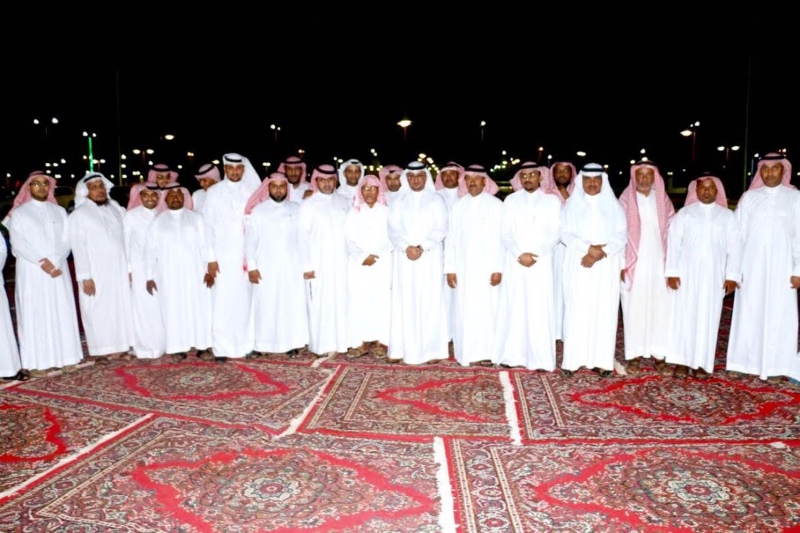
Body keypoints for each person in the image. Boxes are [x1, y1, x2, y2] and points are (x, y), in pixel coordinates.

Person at [727, 152, 800, 381]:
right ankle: (742, 362)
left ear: (783, 170)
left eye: (775, 168)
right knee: (748, 312)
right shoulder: (749, 197)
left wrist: (798, 270)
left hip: (783, 267)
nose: (769, 173)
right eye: (765, 168)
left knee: (781, 315)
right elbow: (737, 237)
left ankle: (778, 366)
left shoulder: (795, 197)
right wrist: (734, 271)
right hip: (751, 266)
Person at [665, 175, 741, 379]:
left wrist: (732, 276)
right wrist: (672, 272)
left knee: (709, 318)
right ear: (695, 191)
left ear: (717, 191)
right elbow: (674, 244)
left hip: (714, 276)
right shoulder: (684, 214)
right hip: (686, 275)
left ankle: (701, 362)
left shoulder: (727, 217)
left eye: (710, 188)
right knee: (683, 317)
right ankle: (681, 361)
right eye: (702, 188)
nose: (706, 192)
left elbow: (735, 248)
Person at [560, 163, 627, 377]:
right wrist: (588, 249)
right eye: (587, 179)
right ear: (581, 181)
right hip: (579, 263)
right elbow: (564, 233)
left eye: (596, 179)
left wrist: (599, 252)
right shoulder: (571, 206)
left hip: (606, 265)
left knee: (604, 310)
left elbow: (621, 236)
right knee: (577, 309)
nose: (591, 183)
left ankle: (601, 361)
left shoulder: (614, 207)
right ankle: (573, 360)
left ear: (602, 182)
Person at [495, 163, 562, 370]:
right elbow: (504, 233)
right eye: (524, 175)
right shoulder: (510, 200)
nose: (528, 178)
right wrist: (519, 253)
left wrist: (536, 254)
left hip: (541, 263)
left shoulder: (552, 201)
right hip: (515, 262)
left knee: (539, 308)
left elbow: (555, 233)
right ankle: (513, 356)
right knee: (515, 307)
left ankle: (541, 359)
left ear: (540, 177)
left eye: (532, 174)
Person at [387, 161, 449, 364]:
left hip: (429, 257)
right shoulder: (398, 200)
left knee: (430, 301)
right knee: (404, 301)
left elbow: (441, 228)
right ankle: (401, 349)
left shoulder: (436, 200)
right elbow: (392, 229)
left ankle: (431, 351)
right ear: (407, 178)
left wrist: (422, 247)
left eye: (420, 176)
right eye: (412, 177)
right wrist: (406, 247)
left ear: (426, 177)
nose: (416, 180)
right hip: (404, 258)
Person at [68, 172, 134, 365]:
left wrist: (129, 268)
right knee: (96, 308)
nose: (99, 191)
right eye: (94, 188)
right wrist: (85, 276)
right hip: (95, 271)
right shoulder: (79, 214)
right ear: (85, 191)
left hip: (118, 268)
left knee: (119, 306)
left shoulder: (115, 208)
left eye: (101, 186)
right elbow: (78, 247)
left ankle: (120, 347)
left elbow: (126, 239)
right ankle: (100, 351)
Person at [244, 172, 308, 356]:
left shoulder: (296, 209)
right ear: (268, 188)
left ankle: (290, 343)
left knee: (289, 305)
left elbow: (304, 239)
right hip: (266, 268)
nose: (278, 190)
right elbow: (250, 241)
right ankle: (261, 344)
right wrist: (252, 267)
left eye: (282, 186)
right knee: (265, 306)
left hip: (291, 267)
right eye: (274, 186)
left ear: (286, 188)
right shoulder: (259, 211)